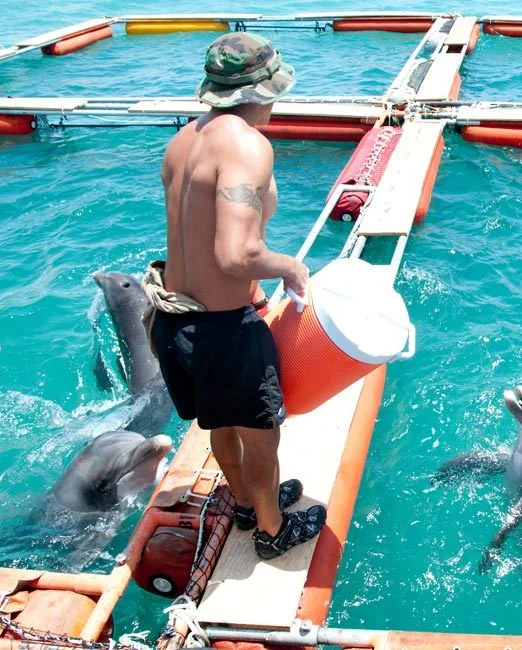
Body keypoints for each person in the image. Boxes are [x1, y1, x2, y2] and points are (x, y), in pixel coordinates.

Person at [147, 33, 326, 560]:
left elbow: (198, 236)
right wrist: (289, 267)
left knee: (219, 422)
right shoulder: (248, 145)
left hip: (176, 322)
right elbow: (236, 253)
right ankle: (273, 531)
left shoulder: (185, 139)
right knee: (261, 434)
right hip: (223, 332)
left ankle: (247, 502)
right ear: (262, 91)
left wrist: (251, 288)